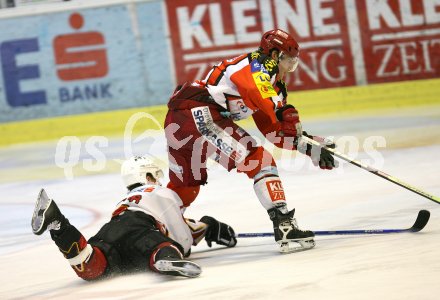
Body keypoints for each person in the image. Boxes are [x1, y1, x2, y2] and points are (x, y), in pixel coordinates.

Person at [164, 29, 338, 253]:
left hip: (180, 119)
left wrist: (311, 146)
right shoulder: (255, 65)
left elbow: (273, 131)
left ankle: (158, 228)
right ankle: (284, 224)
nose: (290, 67)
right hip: (198, 114)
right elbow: (253, 88)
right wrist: (281, 109)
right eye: (288, 60)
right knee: (260, 161)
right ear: (275, 55)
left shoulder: (273, 88)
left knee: (185, 185)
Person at [31, 156, 237, 280]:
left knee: (92, 267)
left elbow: (182, 226)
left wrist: (208, 226)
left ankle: (59, 225)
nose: (158, 180)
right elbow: (182, 236)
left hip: (111, 231)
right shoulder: (160, 192)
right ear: (147, 177)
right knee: (161, 246)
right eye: (154, 175)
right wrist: (205, 229)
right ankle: (165, 260)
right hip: (140, 229)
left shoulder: (127, 199)